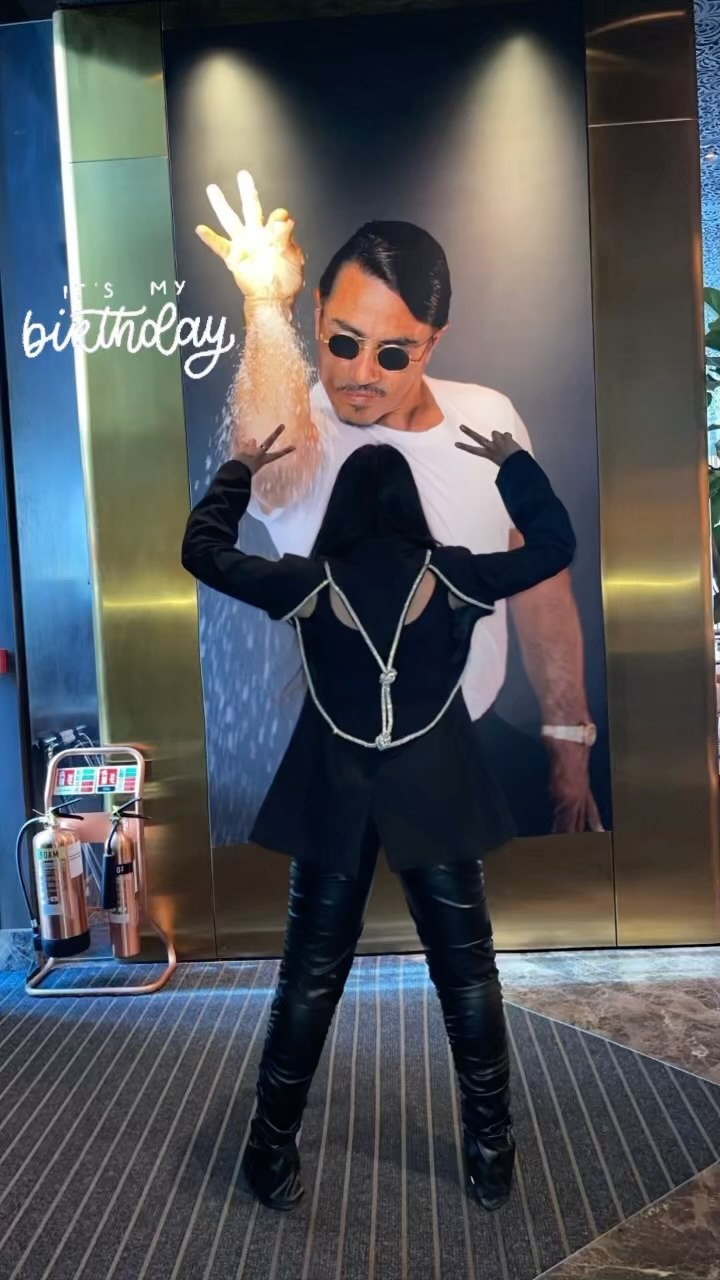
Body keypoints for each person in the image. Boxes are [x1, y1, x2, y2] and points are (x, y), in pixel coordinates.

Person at [181, 420, 576, 1214]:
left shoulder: (308, 580)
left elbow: (203, 551)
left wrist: (238, 472)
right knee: (468, 977)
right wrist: (514, 466)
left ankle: (269, 1151)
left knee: (308, 978)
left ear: (344, 507)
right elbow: (554, 546)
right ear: (407, 503)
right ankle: (491, 1153)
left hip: (334, 796)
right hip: (438, 793)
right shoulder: (456, 574)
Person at [195, 172, 601, 835]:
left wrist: (567, 733)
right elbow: (270, 477)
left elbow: (540, 582)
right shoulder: (302, 428)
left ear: (432, 342)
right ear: (318, 314)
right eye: (343, 341)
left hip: (475, 744)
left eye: (392, 353)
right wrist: (265, 305)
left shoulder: (489, 417)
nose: (361, 374)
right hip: (346, 757)